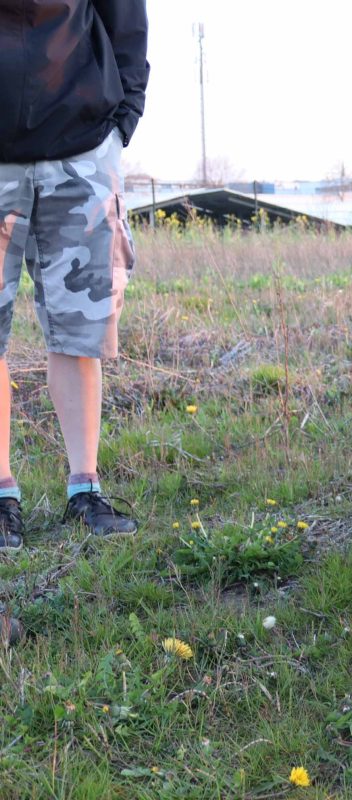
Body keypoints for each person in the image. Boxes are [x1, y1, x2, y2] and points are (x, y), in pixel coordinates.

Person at [0, 0, 149, 556]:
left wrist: (122, 121)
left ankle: (85, 489)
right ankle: (1, 496)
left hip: (81, 152)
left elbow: (126, 23)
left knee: (80, 331)